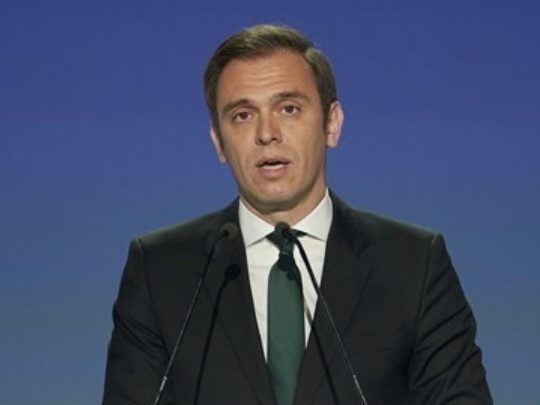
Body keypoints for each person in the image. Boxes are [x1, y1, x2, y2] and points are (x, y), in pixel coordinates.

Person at [103, 24, 492, 404]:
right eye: (242, 115)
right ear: (219, 142)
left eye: (288, 109)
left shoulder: (414, 263)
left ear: (331, 124)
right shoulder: (159, 270)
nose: (266, 133)